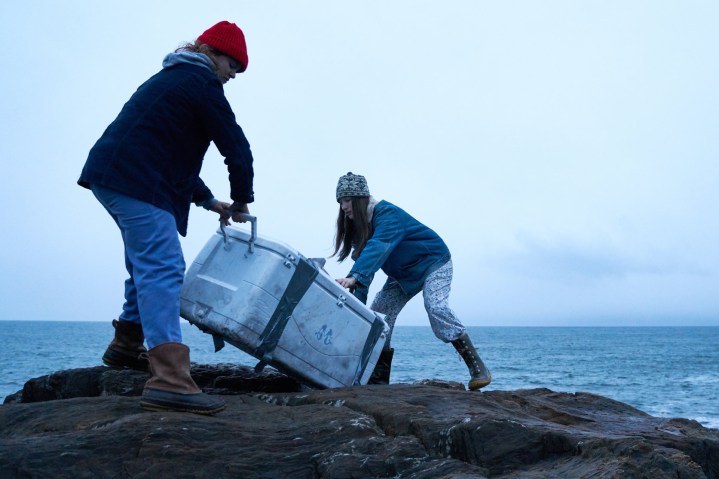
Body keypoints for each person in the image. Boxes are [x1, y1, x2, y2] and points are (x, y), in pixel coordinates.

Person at [77, 21, 256, 415]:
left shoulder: (174, 78)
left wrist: (211, 202)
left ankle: (125, 346)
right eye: (232, 65)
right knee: (164, 265)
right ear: (213, 53)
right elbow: (237, 149)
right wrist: (242, 201)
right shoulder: (201, 83)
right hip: (133, 180)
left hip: (117, 175)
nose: (232, 76)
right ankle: (170, 380)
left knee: (147, 263)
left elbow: (166, 151)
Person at [332, 172, 492, 390]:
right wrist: (357, 306)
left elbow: (379, 246)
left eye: (347, 200)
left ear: (360, 199)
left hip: (434, 262)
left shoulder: (387, 215)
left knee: (435, 306)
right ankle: (378, 383)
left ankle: (477, 367)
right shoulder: (360, 228)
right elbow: (363, 273)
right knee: (379, 317)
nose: (344, 207)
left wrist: (354, 277)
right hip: (403, 274)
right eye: (340, 202)